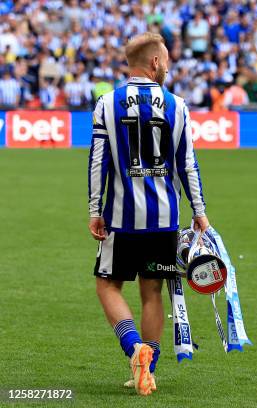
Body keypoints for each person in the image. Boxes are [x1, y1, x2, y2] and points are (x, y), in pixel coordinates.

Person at [87, 32, 209, 397]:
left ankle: (134, 348)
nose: (169, 64)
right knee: (152, 291)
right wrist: (199, 212)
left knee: (107, 285)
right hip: (165, 221)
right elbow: (188, 165)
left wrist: (95, 209)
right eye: (167, 58)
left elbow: (98, 162)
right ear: (155, 62)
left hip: (122, 220)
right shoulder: (178, 105)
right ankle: (148, 370)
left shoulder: (106, 104)